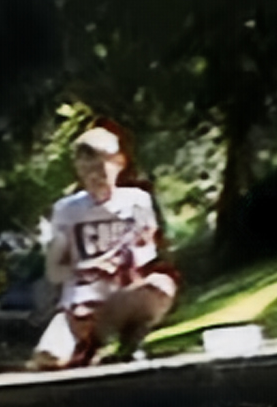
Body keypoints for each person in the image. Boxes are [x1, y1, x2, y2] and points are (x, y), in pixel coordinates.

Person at [30, 125, 179, 369]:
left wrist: (123, 265)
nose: (96, 175)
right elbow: (54, 270)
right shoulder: (66, 210)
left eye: (102, 165)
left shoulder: (137, 201)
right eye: (87, 168)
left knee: (160, 286)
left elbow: (147, 253)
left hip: (120, 296)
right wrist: (85, 269)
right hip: (79, 304)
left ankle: (131, 341)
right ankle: (87, 346)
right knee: (48, 359)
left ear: (119, 162)